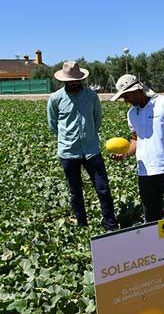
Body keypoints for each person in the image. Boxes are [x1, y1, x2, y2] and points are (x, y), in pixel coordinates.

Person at [109, 74, 164, 262]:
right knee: (151, 214)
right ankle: (158, 251)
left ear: (137, 90)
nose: (125, 100)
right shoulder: (132, 113)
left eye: (126, 95)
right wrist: (125, 153)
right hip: (145, 172)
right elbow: (135, 139)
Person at [47, 61, 118, 231]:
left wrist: (89, 135)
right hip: (68, 152)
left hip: (92, 150)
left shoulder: (91, 96)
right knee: (75, 192)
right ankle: (82, 226)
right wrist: (67, 139)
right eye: (71, 80)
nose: (74, 83)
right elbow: (53, 123)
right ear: (64, 80)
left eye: (77, 80)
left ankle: (111, 225)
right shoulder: (55, 98)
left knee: (103, 189)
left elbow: (97, 119)